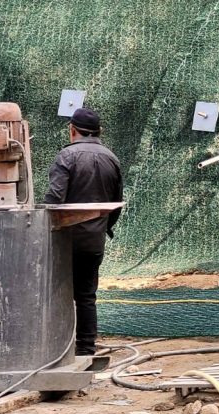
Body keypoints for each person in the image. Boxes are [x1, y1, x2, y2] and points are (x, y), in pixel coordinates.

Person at [44, 108, 123, 356]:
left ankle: (57, 348)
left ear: (72, 130)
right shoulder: (112, 158)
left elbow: (55, 199)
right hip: (93, 240)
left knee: (57, 292)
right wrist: (101, 228)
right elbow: (116, 202)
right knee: (86, 295)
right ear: (100, 131)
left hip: (65, 240)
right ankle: (86, 348)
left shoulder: (66, 156)